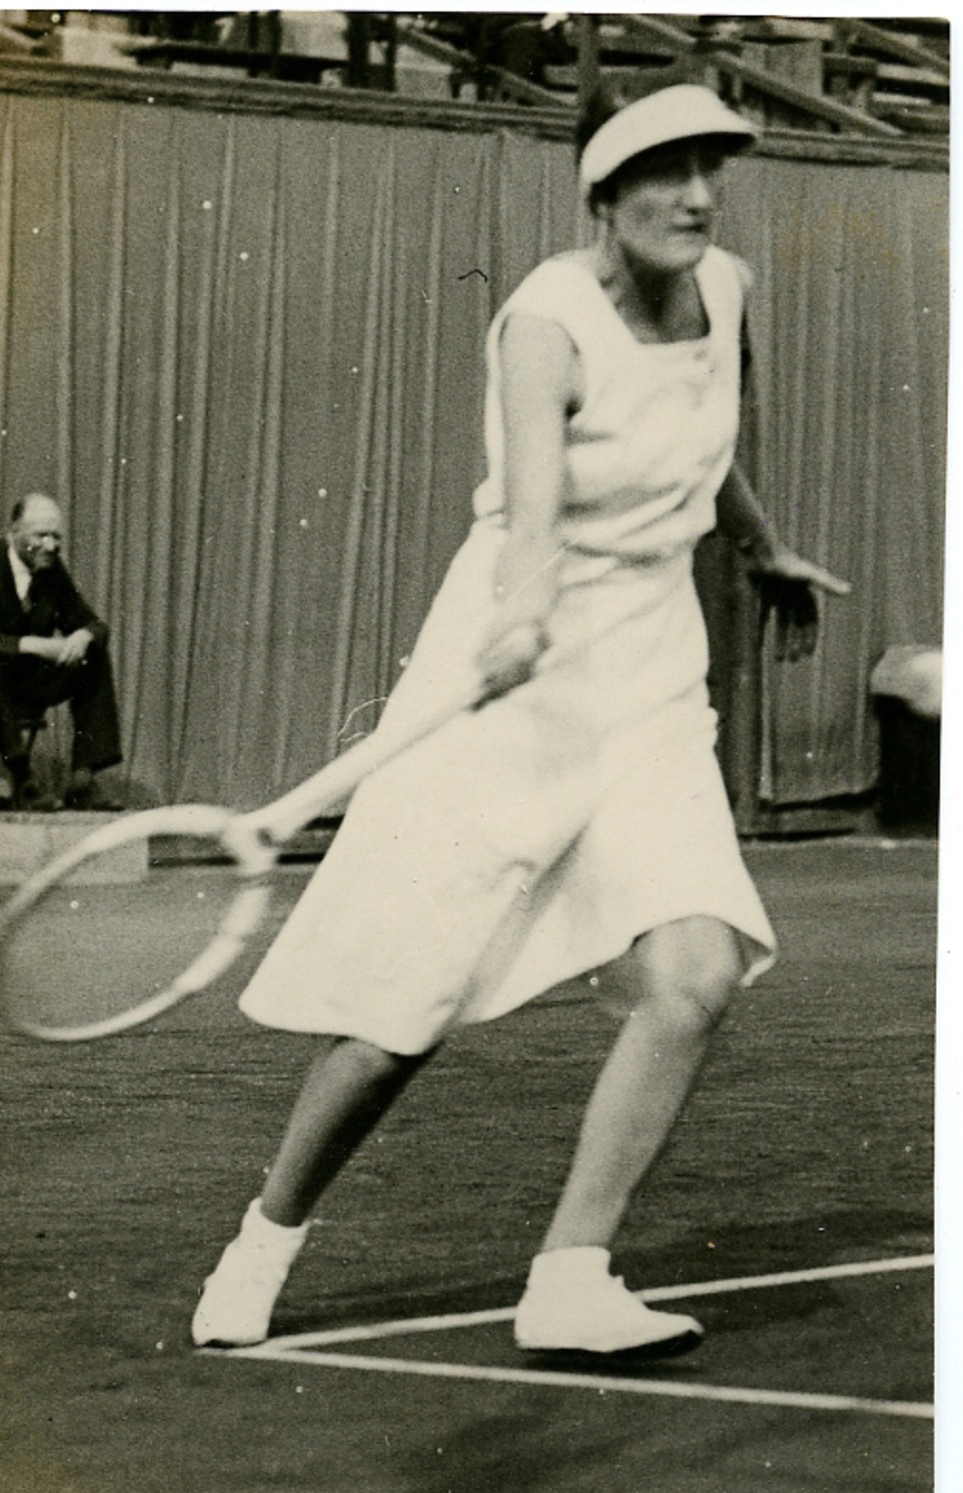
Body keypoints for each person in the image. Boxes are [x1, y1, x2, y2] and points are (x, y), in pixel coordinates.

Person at [193, 83, 850, 1358]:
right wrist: (525, 610)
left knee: (697, 970)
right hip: (509, 670)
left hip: (652, 676)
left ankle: (569, 1275)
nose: (699, 198)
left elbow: (710, 443)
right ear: (601, 195)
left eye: (711, 170)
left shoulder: (727, 287)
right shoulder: (542, 324)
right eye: (666, 175)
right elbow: (537, 516)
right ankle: (266, 1232)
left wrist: (761, 545)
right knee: (401, 1017)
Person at [0, 493, 124, 811]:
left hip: (21, 685)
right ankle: (23, 779)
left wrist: (82, 634)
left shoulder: (50, 571)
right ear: (14, 532)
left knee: (92, 655)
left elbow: (93, 624)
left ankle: (82, 780)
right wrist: (31, 644)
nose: (51, 546)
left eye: (56, 537)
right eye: (41, 535)